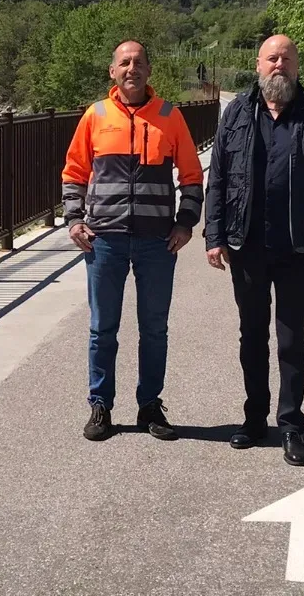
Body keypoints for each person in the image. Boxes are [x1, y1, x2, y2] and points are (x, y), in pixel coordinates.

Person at [203, 35, 304, 467]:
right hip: (246, 245)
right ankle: (254, 420)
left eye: (286, 58)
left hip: (298, 248)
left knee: (291, 339)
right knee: (252, 335)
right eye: (272, 58)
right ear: (258, 65)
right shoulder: (237, 113)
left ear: (297, 66)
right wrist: (213, 236)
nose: (279, 65)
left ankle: (291, 426)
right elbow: (220, 179)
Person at [62, 41, 205, 442]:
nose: (131, 69)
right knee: (101, 328)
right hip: (103, 239)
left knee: (154, 328)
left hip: (157, 242)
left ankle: (149, 405)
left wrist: (185, 222)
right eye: (124, 63)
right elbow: (74, 171)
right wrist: (74, 220)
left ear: (149, 71)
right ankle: (100, 405)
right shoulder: (96, 115)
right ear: (112, 71)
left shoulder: (169, 116)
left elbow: (193, 176)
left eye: (138, 62)